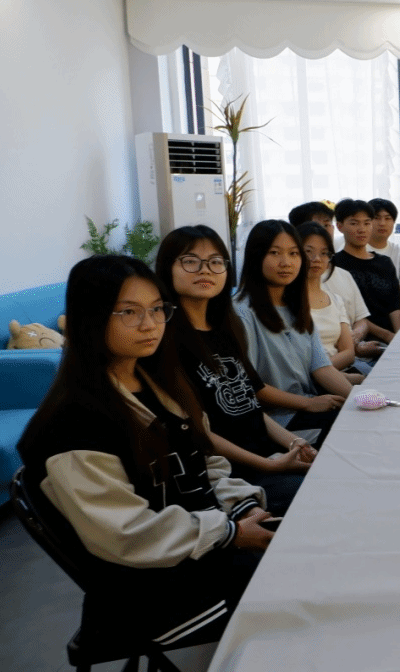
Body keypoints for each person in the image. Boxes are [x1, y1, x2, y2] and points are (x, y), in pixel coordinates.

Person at [17, 255, 273, 649]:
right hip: (149, 595)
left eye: (156, 309)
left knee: (305, 553)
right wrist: (230, 532)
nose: (149, 324)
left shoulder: (160, 383)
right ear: (90, 318)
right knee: (293, 596)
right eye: (129, 312)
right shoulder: (72, 425)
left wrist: (241, 509)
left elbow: (206, 465)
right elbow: (127, 534)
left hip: (200, 552)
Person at [155, 225, 315, 517]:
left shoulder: (226, 328)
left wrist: (295, 442)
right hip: (232, 475)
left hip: (267, 456)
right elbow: (196, 432)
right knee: (324, 495)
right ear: (167, 268)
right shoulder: (163, 340)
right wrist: (269, 465)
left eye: (215, 261)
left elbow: (250, 405)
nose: (205, 270)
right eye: (190, 261)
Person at [237, 220, 353, 437]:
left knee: (362, 414)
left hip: (306, 405)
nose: (286, 263)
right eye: (274, 253)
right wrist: (308, 404)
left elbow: (322, 368)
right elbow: (251, 386)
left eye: (293, 254)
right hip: (275, 420)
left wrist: (358, 399)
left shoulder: (297, 308)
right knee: (349, 430)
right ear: (255, 257)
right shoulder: (242, 313)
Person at [289, 203, 379, 361]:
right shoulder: (287, 291)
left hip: (350, 358)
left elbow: (361, 318)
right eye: (315, 225)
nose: (323, 231)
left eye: (327, 225)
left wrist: (354, 338)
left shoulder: (343, 276)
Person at [297, 222, 364, 384]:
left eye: (324, 253)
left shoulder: (335, 299)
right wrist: (321, 373)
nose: (316, 259)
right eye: (308, 252)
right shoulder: (285, 301)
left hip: (337, 373)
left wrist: (326, 372)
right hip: (305, 381)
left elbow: (348, 352)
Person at [333, 199, 400, 342]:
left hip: (390, 338)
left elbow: (394, 305)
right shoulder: (334, 265)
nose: (362, 229)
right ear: (340, 226)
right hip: (355, 340)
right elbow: (346, 313)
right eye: (354, 223)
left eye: (367, 223)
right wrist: (387, 336)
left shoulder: (385, 262)